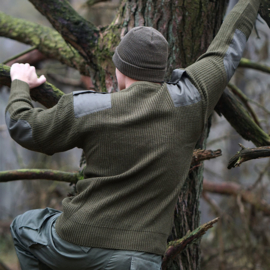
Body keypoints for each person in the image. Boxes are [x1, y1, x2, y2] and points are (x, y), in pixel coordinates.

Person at [6, 0, 261, 269]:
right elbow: (225, 50)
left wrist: (20, 84)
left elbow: (23, 127)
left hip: (74, 242)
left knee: (24, 227)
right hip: (138, 258)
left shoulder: (87, 107)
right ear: (160, 70)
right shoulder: (191, 101)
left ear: (119, 68)